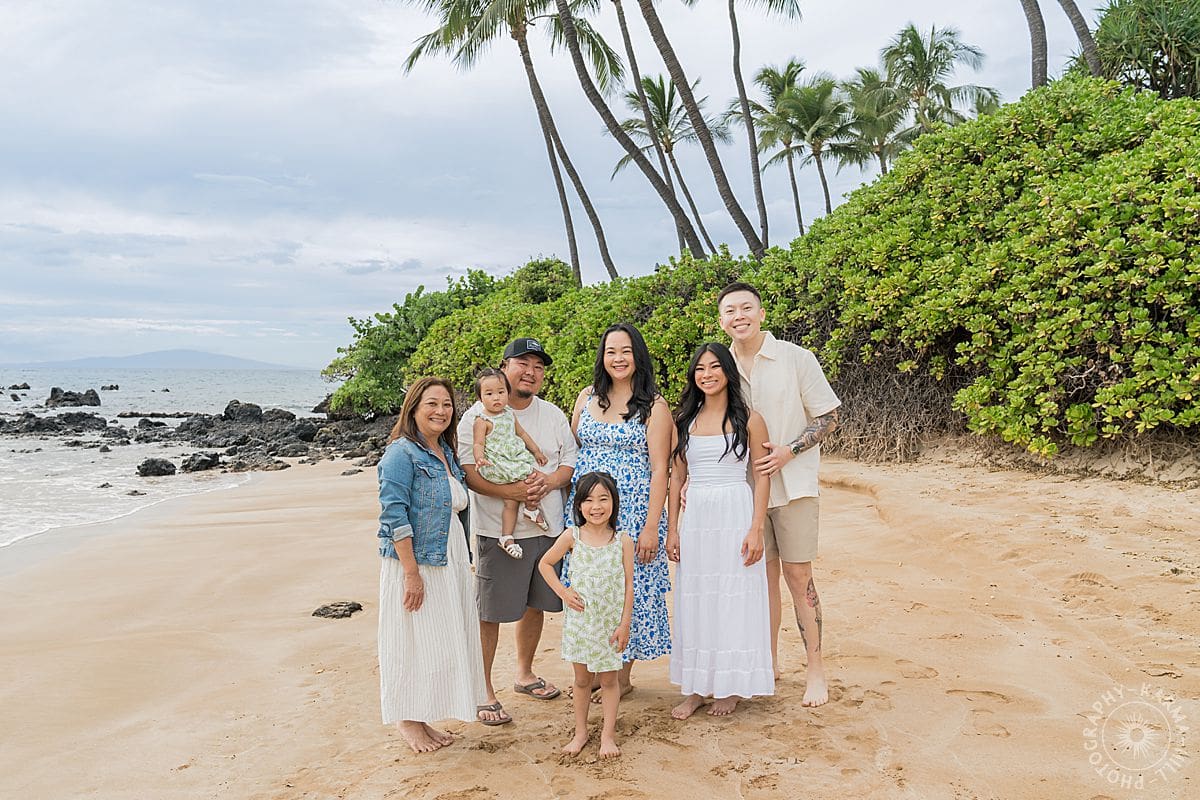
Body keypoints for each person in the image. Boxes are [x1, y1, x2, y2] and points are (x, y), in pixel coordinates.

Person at [717, 282, 841, 707]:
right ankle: (767, 664)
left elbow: (828, 417)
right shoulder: (722, 366)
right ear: (722, 320)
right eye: (730, 311)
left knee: (798, 577)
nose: (739, 316)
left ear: (761, 314)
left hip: (795, 487)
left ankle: (815, 670)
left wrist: (790, 450)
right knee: (761, 580)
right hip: (746, 492)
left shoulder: (795, 357)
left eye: (746, 308)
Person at [457, 338, 577, 724]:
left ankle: (524, 674)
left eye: (538, 366)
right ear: (504, 367)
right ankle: (483, 689)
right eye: (522, 363)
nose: (530, 372)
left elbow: (570, 461)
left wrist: (550, 481)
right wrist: (511, 492)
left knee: (535, 604)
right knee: (489, 611)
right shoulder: (476, 416)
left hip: (548, 528)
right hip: (497, 531)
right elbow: (468, 472)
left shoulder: (552, 414)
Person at [376, 376, 487, 753]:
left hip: (448, 556)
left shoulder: (445, 452)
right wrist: (411, 573)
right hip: (418, 561)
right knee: (411, 640)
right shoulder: (401, 453)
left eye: (447, 405)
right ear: (413, 409)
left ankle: (420, 715)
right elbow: (393, 515)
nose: (441, 411)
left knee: (434, 641)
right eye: (432, 404)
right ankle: (406, 720)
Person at [666, 343, 774, 718]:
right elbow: (677, 476)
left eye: (714, 367)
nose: (707, 374)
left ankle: (730, 687)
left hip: (734, 511)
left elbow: (762, 476)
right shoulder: (685, 420)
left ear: (728, 371)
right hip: (697, 516)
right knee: (696, 598)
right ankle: (697, 687)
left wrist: (756, 528)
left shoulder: (750, 419)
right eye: (700, 368)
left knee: (733, 597)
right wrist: (673, 530)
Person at [567, 323, 672, 701]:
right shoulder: (586, 397)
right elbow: (574, 448)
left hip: (634, 512)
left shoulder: (654, 406)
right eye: (611, 351)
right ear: (602, 356)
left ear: (638, 355)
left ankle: (622, 675)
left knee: (629, 587)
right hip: (588, 509)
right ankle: (599, 667)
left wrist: (651, 526)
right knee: (592, 585)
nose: (618, 358)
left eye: (626, 351)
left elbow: (660, 468)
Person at [538, 471, 635, 758]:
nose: (596, 506)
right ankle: (580, 732)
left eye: (604, 499)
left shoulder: (623, 541)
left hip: (610, 626)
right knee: (582, 681)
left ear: (614, 503)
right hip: (581, 625)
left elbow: (629, 585)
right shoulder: (572, 536)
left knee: (609, 681)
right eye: (589, 500)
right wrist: (564, 592)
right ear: (579, 505)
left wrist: (625, 624)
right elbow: (545, 564)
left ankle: (607, 735)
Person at [472, 368, 550, 558]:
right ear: (480, 398)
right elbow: (478, 443)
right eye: (489, 394)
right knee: (528, 482)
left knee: (513, 500)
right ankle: (530, 510)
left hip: (513, 460)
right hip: (497, 464)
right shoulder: (482, 420)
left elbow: (521, 433)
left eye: (501, 392)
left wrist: (536, 451)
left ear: (508, 393)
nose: (496, 398)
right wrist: (479, 458)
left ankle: (507, 536)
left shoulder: (508, 414)